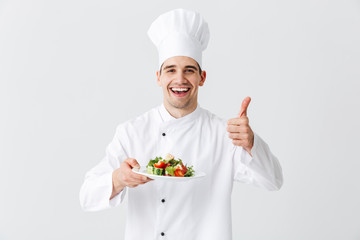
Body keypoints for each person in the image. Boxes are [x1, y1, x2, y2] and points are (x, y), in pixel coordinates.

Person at [79, 8, 283, 240]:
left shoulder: (224, 134)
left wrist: (251, 143)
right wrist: (117, 179)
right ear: (158, 77)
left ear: (202, 77)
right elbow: (86, 196)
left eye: (189, 70)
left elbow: (274, 181)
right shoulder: (132, 132)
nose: (180, 79)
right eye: (171, 70)